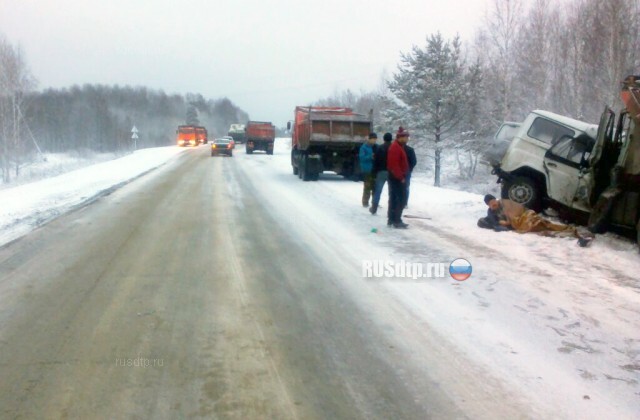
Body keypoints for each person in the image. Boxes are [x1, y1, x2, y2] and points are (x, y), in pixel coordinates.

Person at [478, 194, 594, 246]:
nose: (494, 205)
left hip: (527, 216)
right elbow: (497, 225)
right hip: (522, 223)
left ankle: (576, 233)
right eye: (491, 204)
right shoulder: (491, 213)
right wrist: (507, 223)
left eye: (494, 202)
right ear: (488, 206)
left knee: (546, 224)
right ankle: (573, 235)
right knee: (545, 229)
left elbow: (517, 208)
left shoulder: (504, 202)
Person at [387, 127, 410, 228]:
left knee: (394, 198)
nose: (407, 139)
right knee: (400, 198)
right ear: (400, 137)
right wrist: (401, 177)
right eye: (406, 137)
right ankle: (396, 220)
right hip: (396, 177)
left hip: (395, 176)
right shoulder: (395, 148)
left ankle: (392, 219)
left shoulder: (398, 146)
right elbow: (394, 165)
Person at [370, 132, 392, 214]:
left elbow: (376, 161)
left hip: (381, 171)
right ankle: (390, 210)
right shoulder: (394, 148)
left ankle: (374, 207)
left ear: (384, 139)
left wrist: (374, 171)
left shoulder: (380, 148)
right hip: (391, 172)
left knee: (378, 190)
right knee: (391, 191)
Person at [359, 132, 377, 207]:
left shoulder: (377, 147)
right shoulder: (364, 147)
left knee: (375, 186)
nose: (374, 141)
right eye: (373, 139)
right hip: (367, 169)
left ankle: (375, 201)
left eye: (375, 139)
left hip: (375, 169)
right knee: (367, 186)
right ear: (369, 139)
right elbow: (362, 158)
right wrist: (370, 156)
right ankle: (365, 201)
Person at [404, 143, 417, 208]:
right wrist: (410, 168)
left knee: (397, 186)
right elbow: (414, 161)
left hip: (398, 171)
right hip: (407, 171)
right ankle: (405, 202)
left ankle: (398, 201)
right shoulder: (410, 150)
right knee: (406, 187)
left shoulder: (396, 149)